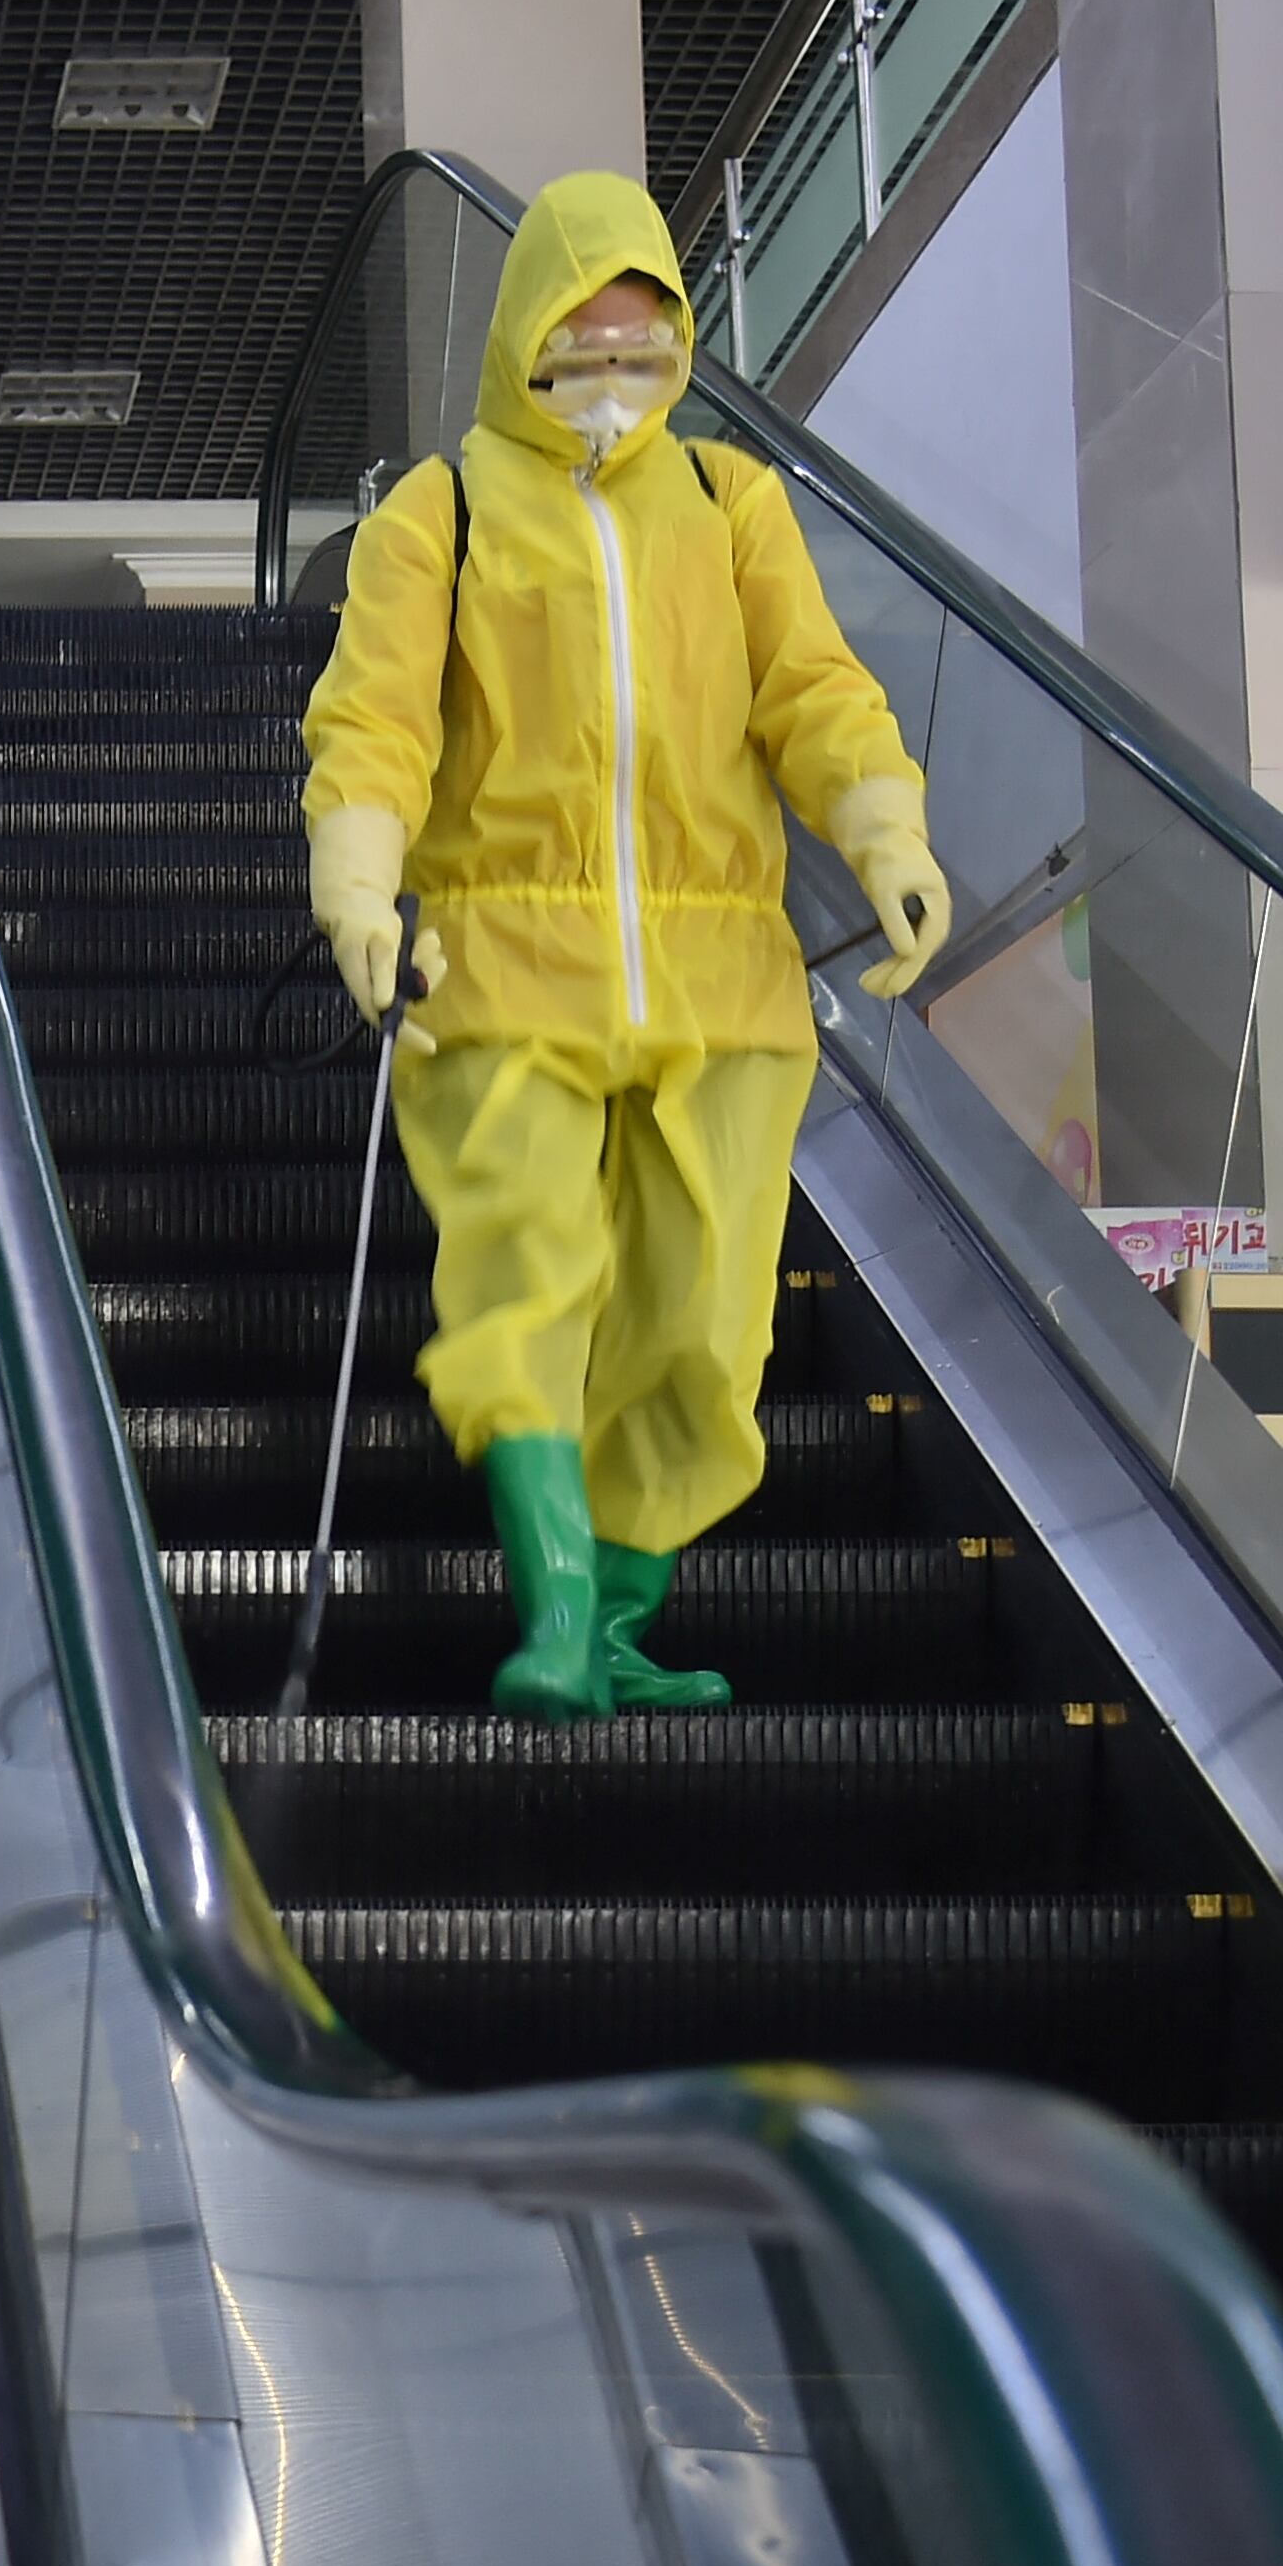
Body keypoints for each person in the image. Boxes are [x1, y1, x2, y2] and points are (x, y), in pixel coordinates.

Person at [298, 168, 949, 1720]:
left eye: (637, 333)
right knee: (525, 1277)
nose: (607, 363)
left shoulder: (732, 505)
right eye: (576, 334)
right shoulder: (440, 509)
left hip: (724, 980)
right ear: (523, 330)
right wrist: (359, 879)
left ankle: (624, 1626)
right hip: (502, 966)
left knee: (705, 1328)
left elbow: (816, 691)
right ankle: (555, 1604)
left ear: (677, 337)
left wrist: (884, 833)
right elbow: (377, 718)